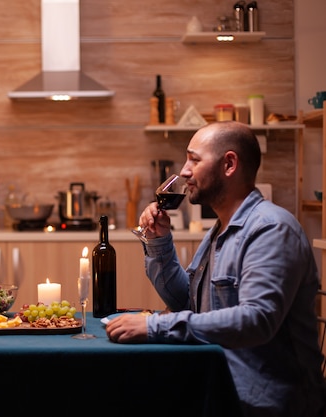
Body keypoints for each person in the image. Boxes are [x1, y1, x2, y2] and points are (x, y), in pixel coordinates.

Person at [106, 121, 326, 417]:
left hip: (266, 405)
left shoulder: (270, 229)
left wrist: (153, 326)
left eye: (194, 160)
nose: (184, 171)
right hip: (220, 387)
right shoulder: (219, 231)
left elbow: (256, 320)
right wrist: (160, 242)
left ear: (229, 164)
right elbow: (187, 302)